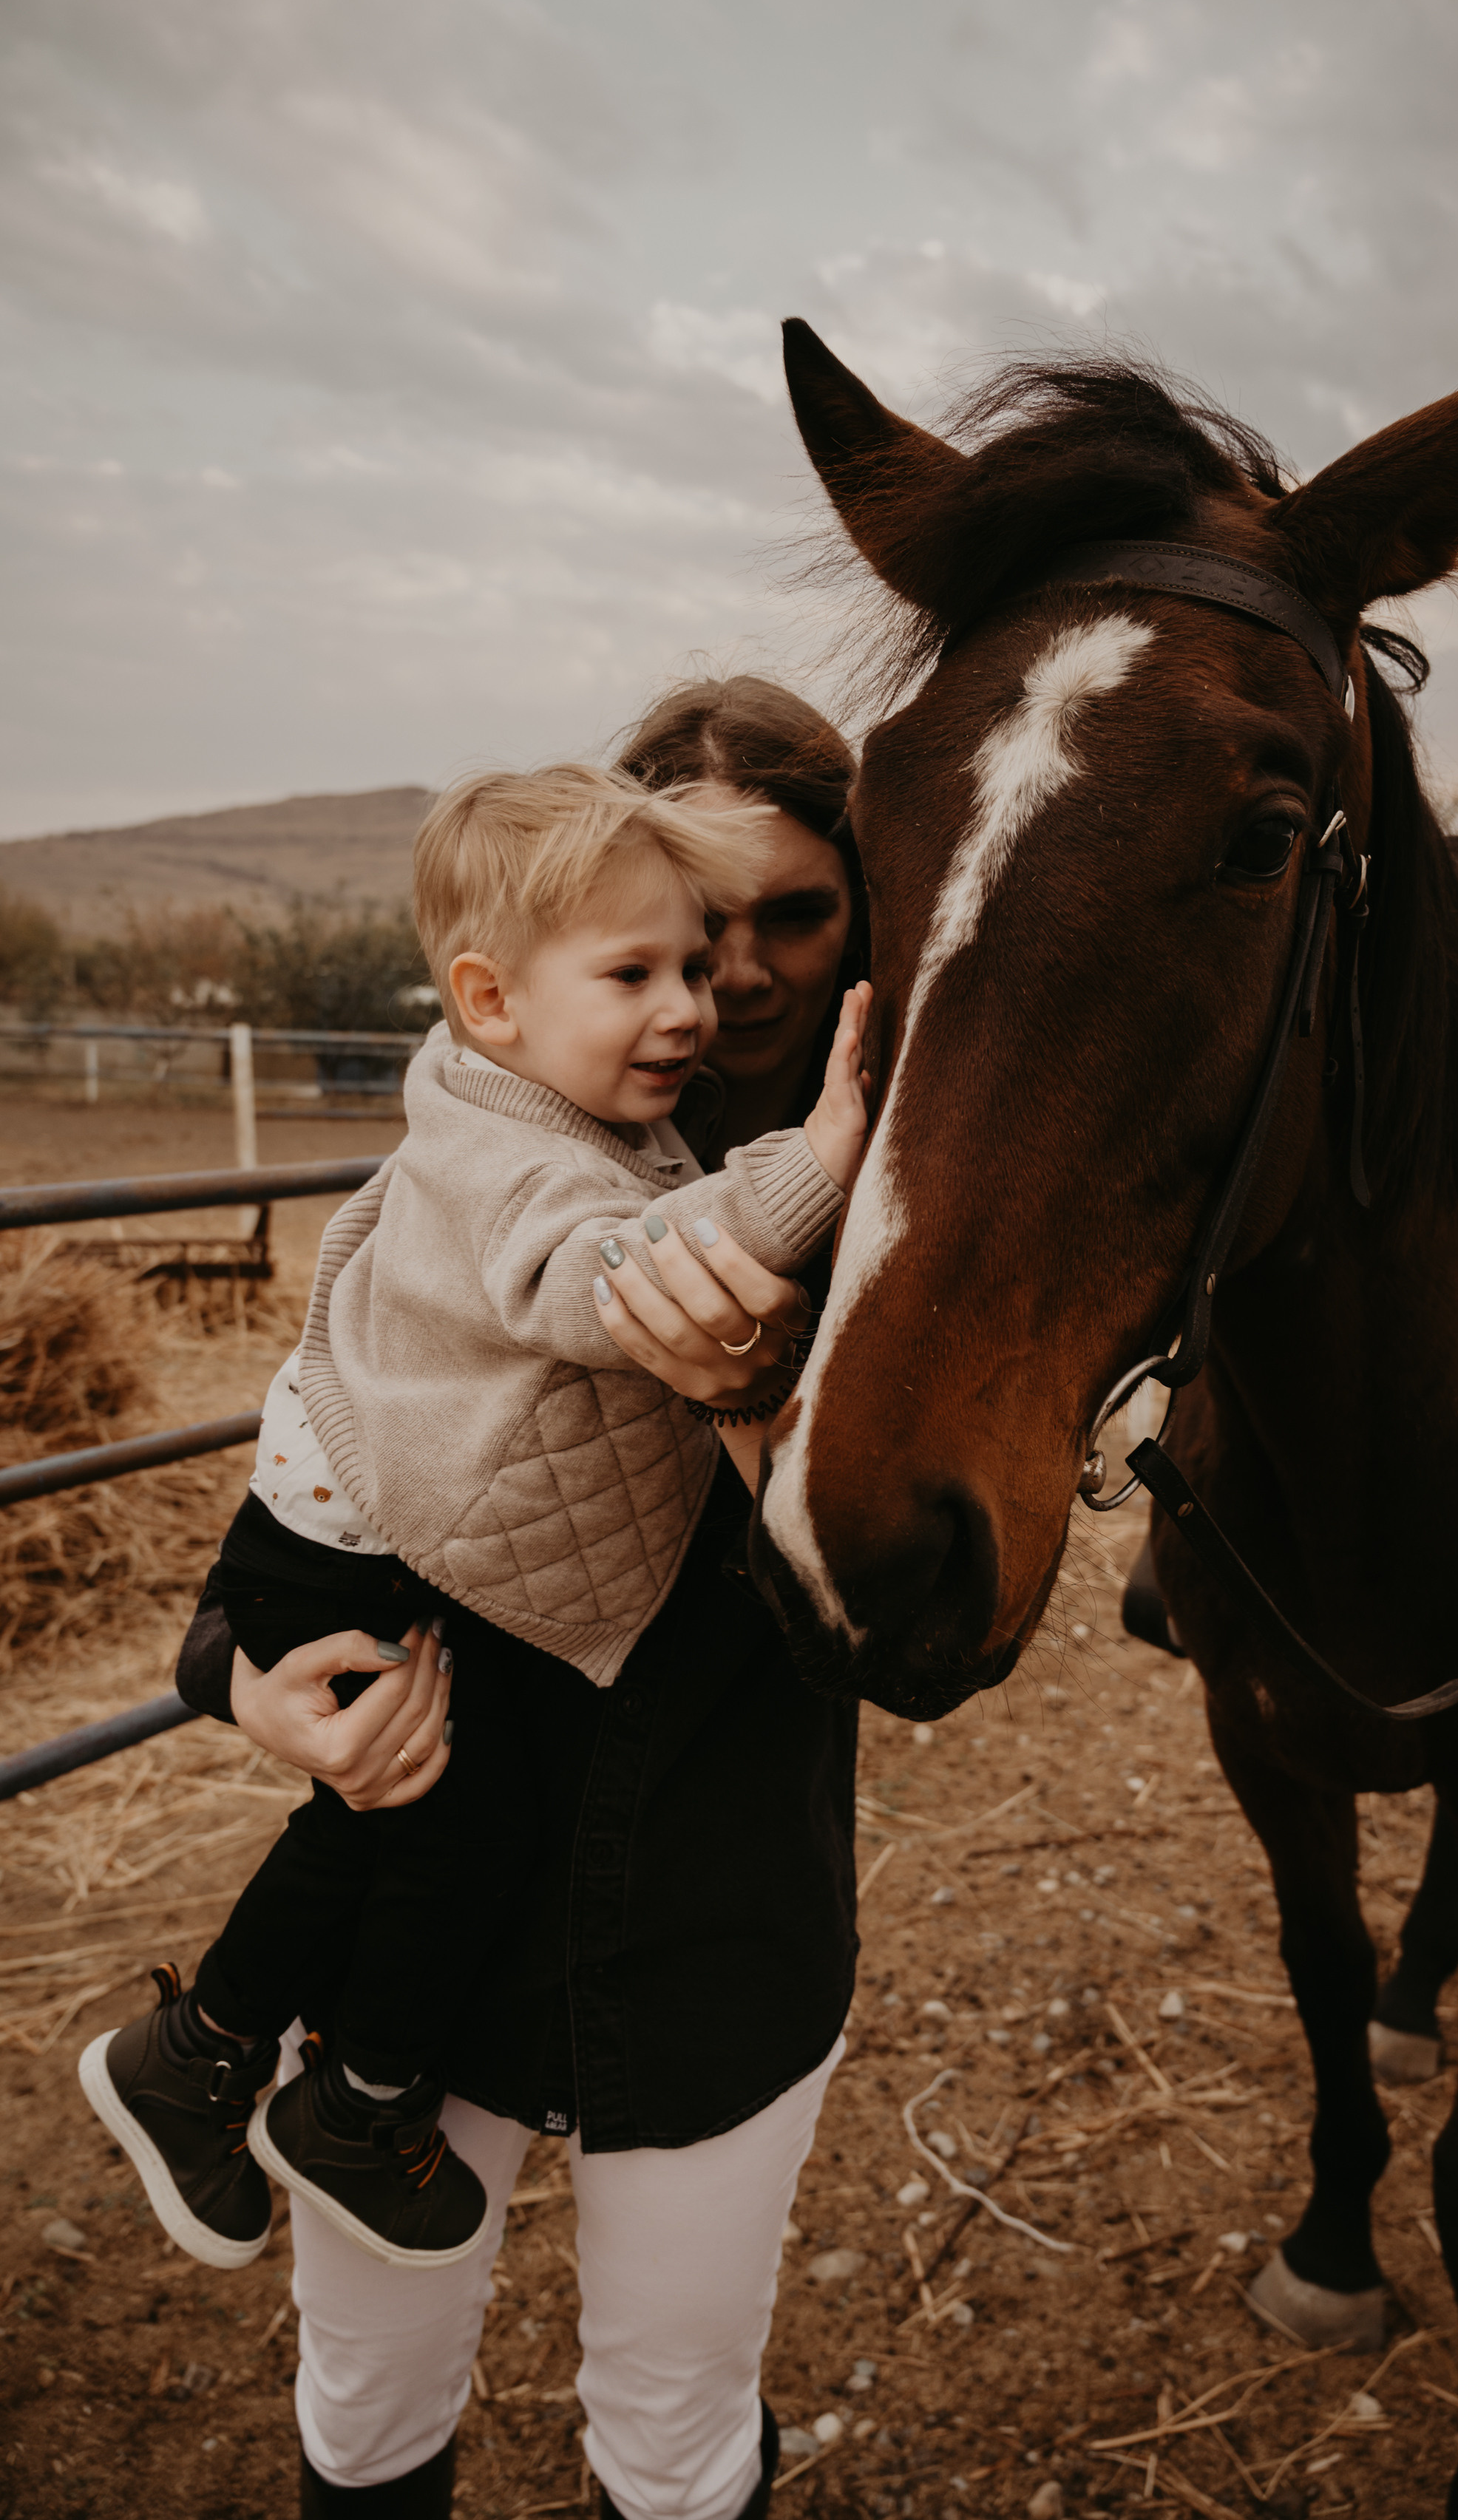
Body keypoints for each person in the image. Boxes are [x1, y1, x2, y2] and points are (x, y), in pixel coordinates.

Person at [156, 682, 870, 2520]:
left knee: (672, 2424)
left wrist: (757, 1404)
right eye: (687, 938)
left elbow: (927, 1645)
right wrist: (246, 1687)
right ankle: (212, 2060)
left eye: (790, 917)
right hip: (416, 1934)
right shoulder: (477, 1164)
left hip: (714, 1937)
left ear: (865, 920)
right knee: (369, 2394)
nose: (737, 979)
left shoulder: (897, 1223)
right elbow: (303, 1508)